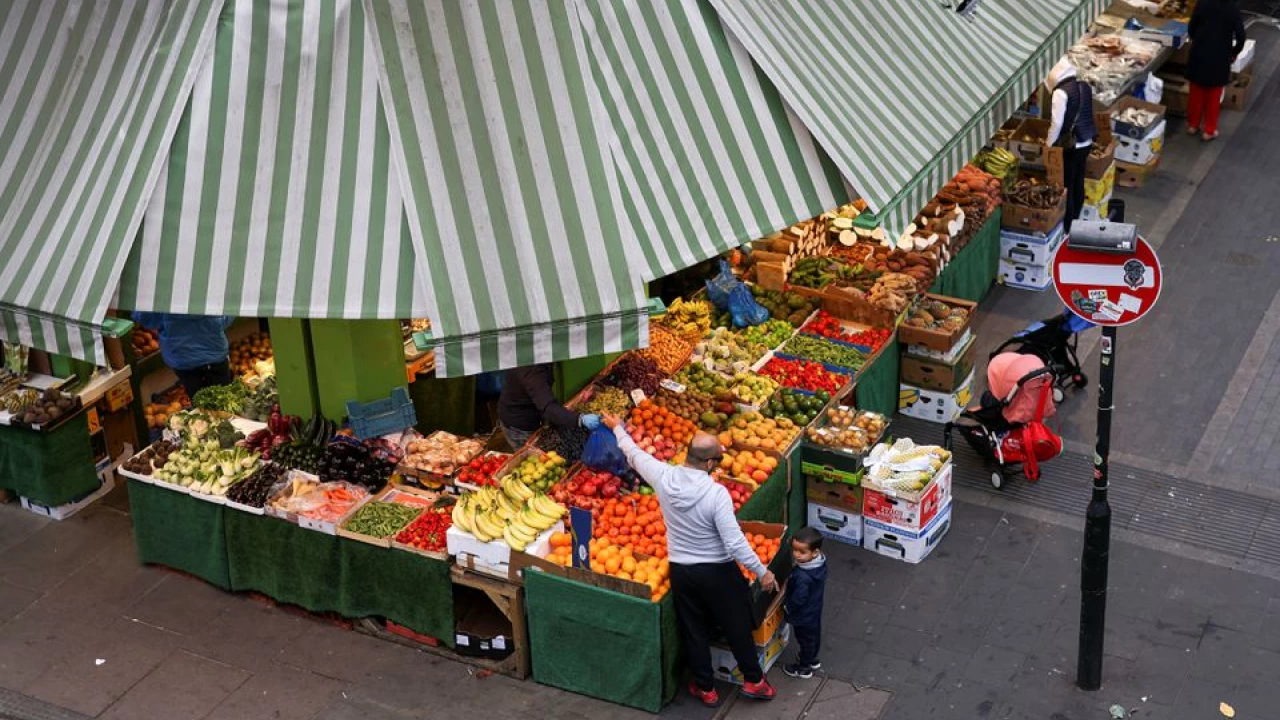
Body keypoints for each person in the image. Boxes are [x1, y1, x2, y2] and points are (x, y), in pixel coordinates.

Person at [601, 414, 778, 706]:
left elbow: (633, 454)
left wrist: (617, 427)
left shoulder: (663, 475)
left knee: (694, 629)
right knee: (735, 624)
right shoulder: (716, 493)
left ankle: (705, 687)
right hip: (717, 571)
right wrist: (762, 572)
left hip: (682, 570)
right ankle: (754, 680)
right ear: (709, 464)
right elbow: (734, 542)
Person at [1046, 58, 1098, 234]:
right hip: (1087, 141)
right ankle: (1076, 217)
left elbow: (1057, 123)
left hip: (1072, 145)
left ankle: (1068, 225)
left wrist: (1049, 144)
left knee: (1067, 184)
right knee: (1078, 180)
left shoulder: (1061, 93)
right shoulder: (1084, 86)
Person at [497, 364, 599, 449]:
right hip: (520, 425)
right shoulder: (531, 371)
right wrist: (580, 419)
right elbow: (548, 408)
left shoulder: (538, 360)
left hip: (532, 410)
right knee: (531, 457)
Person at [131, 313, 234, 397]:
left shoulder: (163, 292)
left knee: (199, 405)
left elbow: (147, 319)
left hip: (182, 356)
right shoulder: (208, 289)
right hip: (213, 351)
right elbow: (230, 311)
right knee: (224, 401)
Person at [1186, 0, 1247, 142]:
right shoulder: (1232, 8)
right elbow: (1241, 36)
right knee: (1214, 94)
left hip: (1199, 53)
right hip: (1220, 56)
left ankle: (1192, 125)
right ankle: (1209, 130)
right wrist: (1234, 52)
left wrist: (1198, 40)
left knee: (1196, 91)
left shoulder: (1202, 3)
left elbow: (1192, 27)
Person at [782, 527, 828, 680]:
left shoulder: (802, 577)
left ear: (814, 553)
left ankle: (804, 667)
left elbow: (798, 598)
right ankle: (812, 659)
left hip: (803, 614)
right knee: (813, 636)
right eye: (794, 550)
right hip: (814, 609)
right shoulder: (820, 564)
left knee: (804, 639)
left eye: (801, 552)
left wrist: (788, 607)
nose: (796, 554)